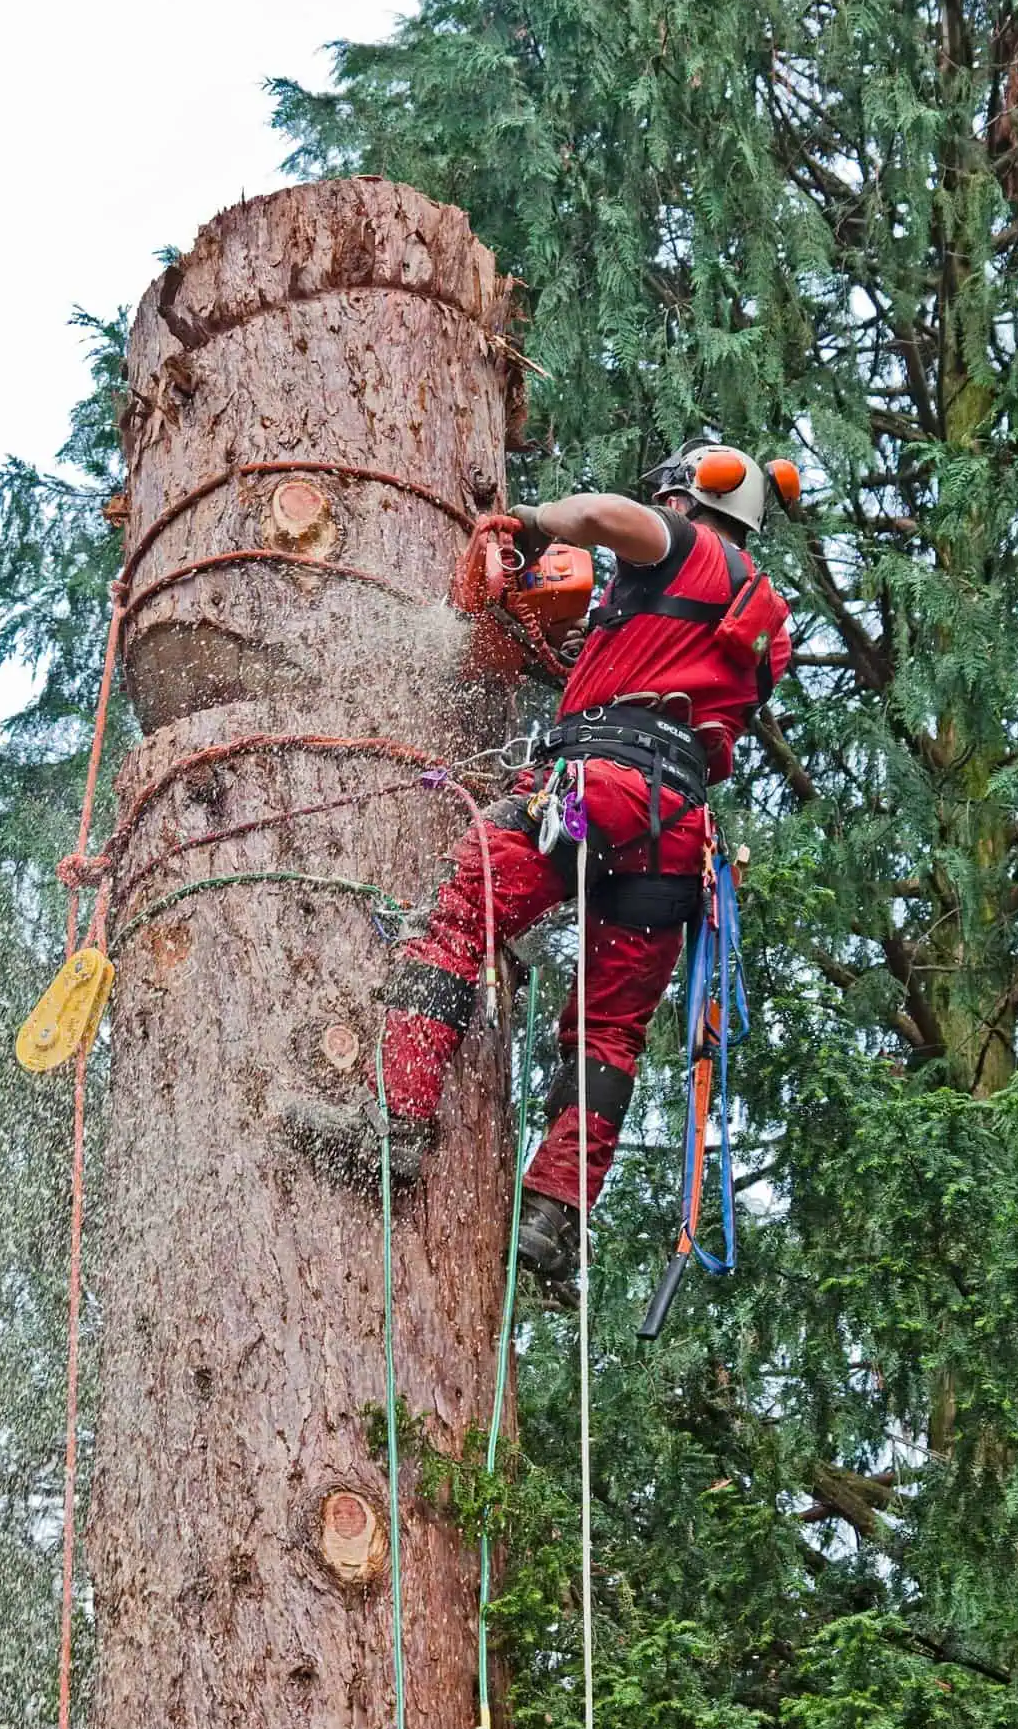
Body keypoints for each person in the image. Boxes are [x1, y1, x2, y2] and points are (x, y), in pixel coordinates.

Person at [284, 443, 795, 1290]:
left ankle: (395, 1128)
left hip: (599, 788)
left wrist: (527, 522)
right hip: (676, 834)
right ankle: (554, 1217)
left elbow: (601, 517)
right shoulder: (765, 620)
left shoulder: (685, 545)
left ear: (685, 497)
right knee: (609, 1031)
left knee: (457, 922)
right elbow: (662, 674)